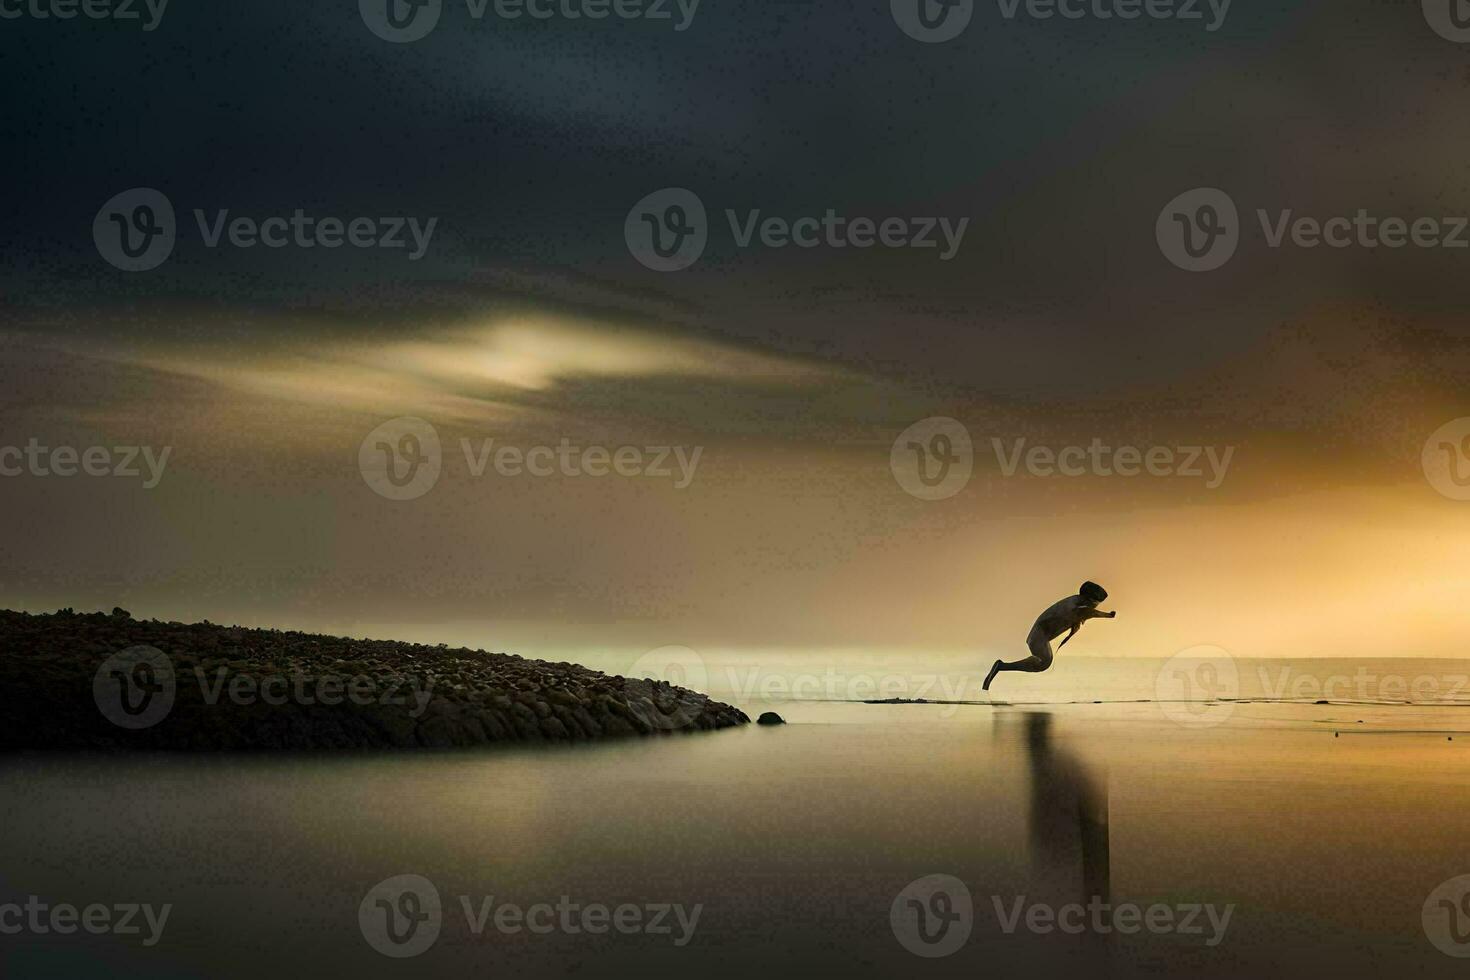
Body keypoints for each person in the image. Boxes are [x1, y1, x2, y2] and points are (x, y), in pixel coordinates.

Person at [983, 582, 1116, 691]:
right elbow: (1087, 612)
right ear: (1089, 599)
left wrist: (1104, 615)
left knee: (1044, 662)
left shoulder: (1076, 604)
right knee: (1044, 662)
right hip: (1038, 636)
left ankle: (1001, 667)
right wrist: (1107, 615)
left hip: (1040, 637)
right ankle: (1001, 666)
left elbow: (1085, 613)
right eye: (1095, 603)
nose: (1095, 606)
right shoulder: (1074, 604)